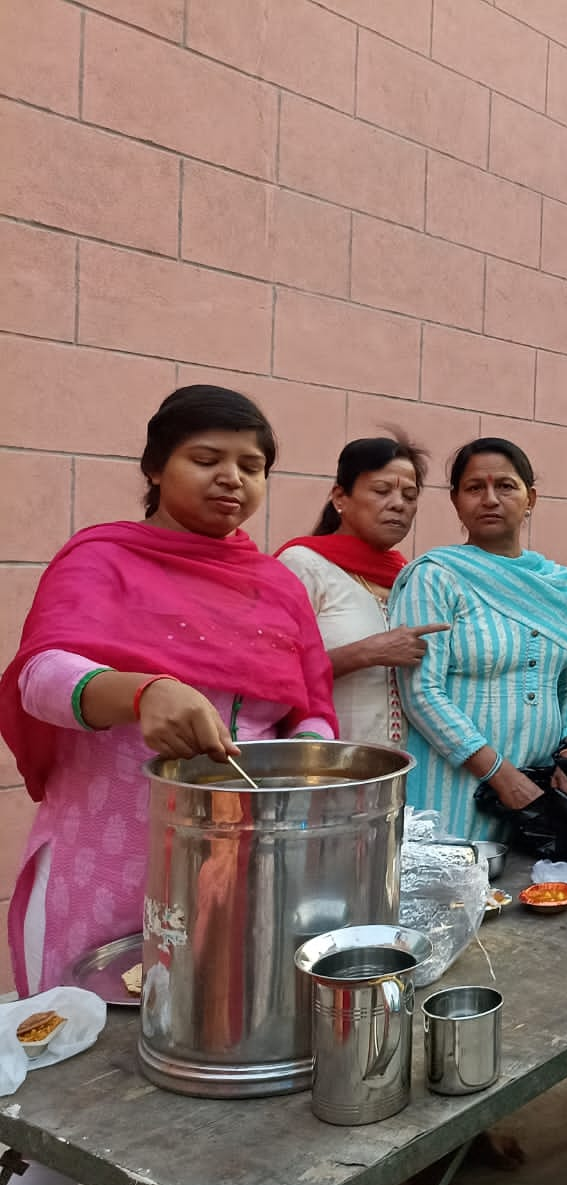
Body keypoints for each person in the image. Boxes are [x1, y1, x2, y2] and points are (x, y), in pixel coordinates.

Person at [0, 383, 338, 1000]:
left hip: (242, 859)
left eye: (251, 466)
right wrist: (141, 692)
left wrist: (301, 767)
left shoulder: (276, 585)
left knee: (221, 1022)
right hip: (107, 856)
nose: (231, 479)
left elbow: (311, 711)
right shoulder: (102, 559)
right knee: (92, 1044)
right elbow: (39, 678)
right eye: (206, 460)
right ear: (155, 468)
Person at [390, 437, 567, 841]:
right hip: (455, 787)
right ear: (456, 501)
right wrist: (499, 774)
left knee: (538, 896)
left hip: (546, 788)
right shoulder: (435, 577)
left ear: (531, 498)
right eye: (475, 488)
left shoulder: (558, 585)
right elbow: (421, 692)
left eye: (506, 486)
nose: (490, 498)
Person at [278, 435, 447, 747]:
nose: (399, 504)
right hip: (322, 768)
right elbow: (270, 674)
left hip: (403, 775)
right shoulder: (302, 565)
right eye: (382, 491)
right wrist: (365, 653)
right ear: (340, 497)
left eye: (410, 496)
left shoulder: (409, 578)